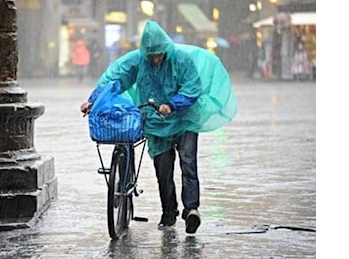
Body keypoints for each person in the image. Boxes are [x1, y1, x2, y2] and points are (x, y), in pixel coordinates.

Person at [80, 21, 236, 234]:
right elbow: (114, 79)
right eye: (151, 56)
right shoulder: (137, 61)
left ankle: (191, 209)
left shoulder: (181, 60)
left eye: (159, 55)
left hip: (184, 120)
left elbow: (193, 87)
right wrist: (93, 100)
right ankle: (168, 212)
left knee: (188, 163)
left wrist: (172, 105)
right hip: (155, 122)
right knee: (163, 171)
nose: (155, 60)